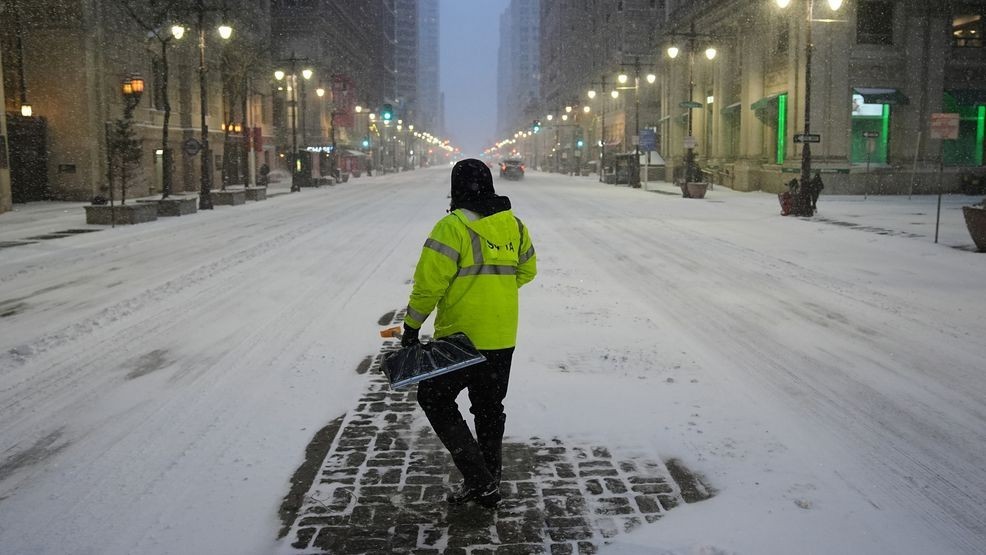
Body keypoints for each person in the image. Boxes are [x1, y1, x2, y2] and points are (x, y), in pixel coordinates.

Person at [402, 158, 537, 508]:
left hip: (461, 337)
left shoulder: (452, 226)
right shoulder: (516, 226)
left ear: (456, 188)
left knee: (433, 397)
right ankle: (489, 481)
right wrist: (497, 293)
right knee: (490, 410)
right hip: (503, 335)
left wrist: (412, 325)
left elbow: (429, 285)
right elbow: (528, 270)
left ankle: (478, 478)